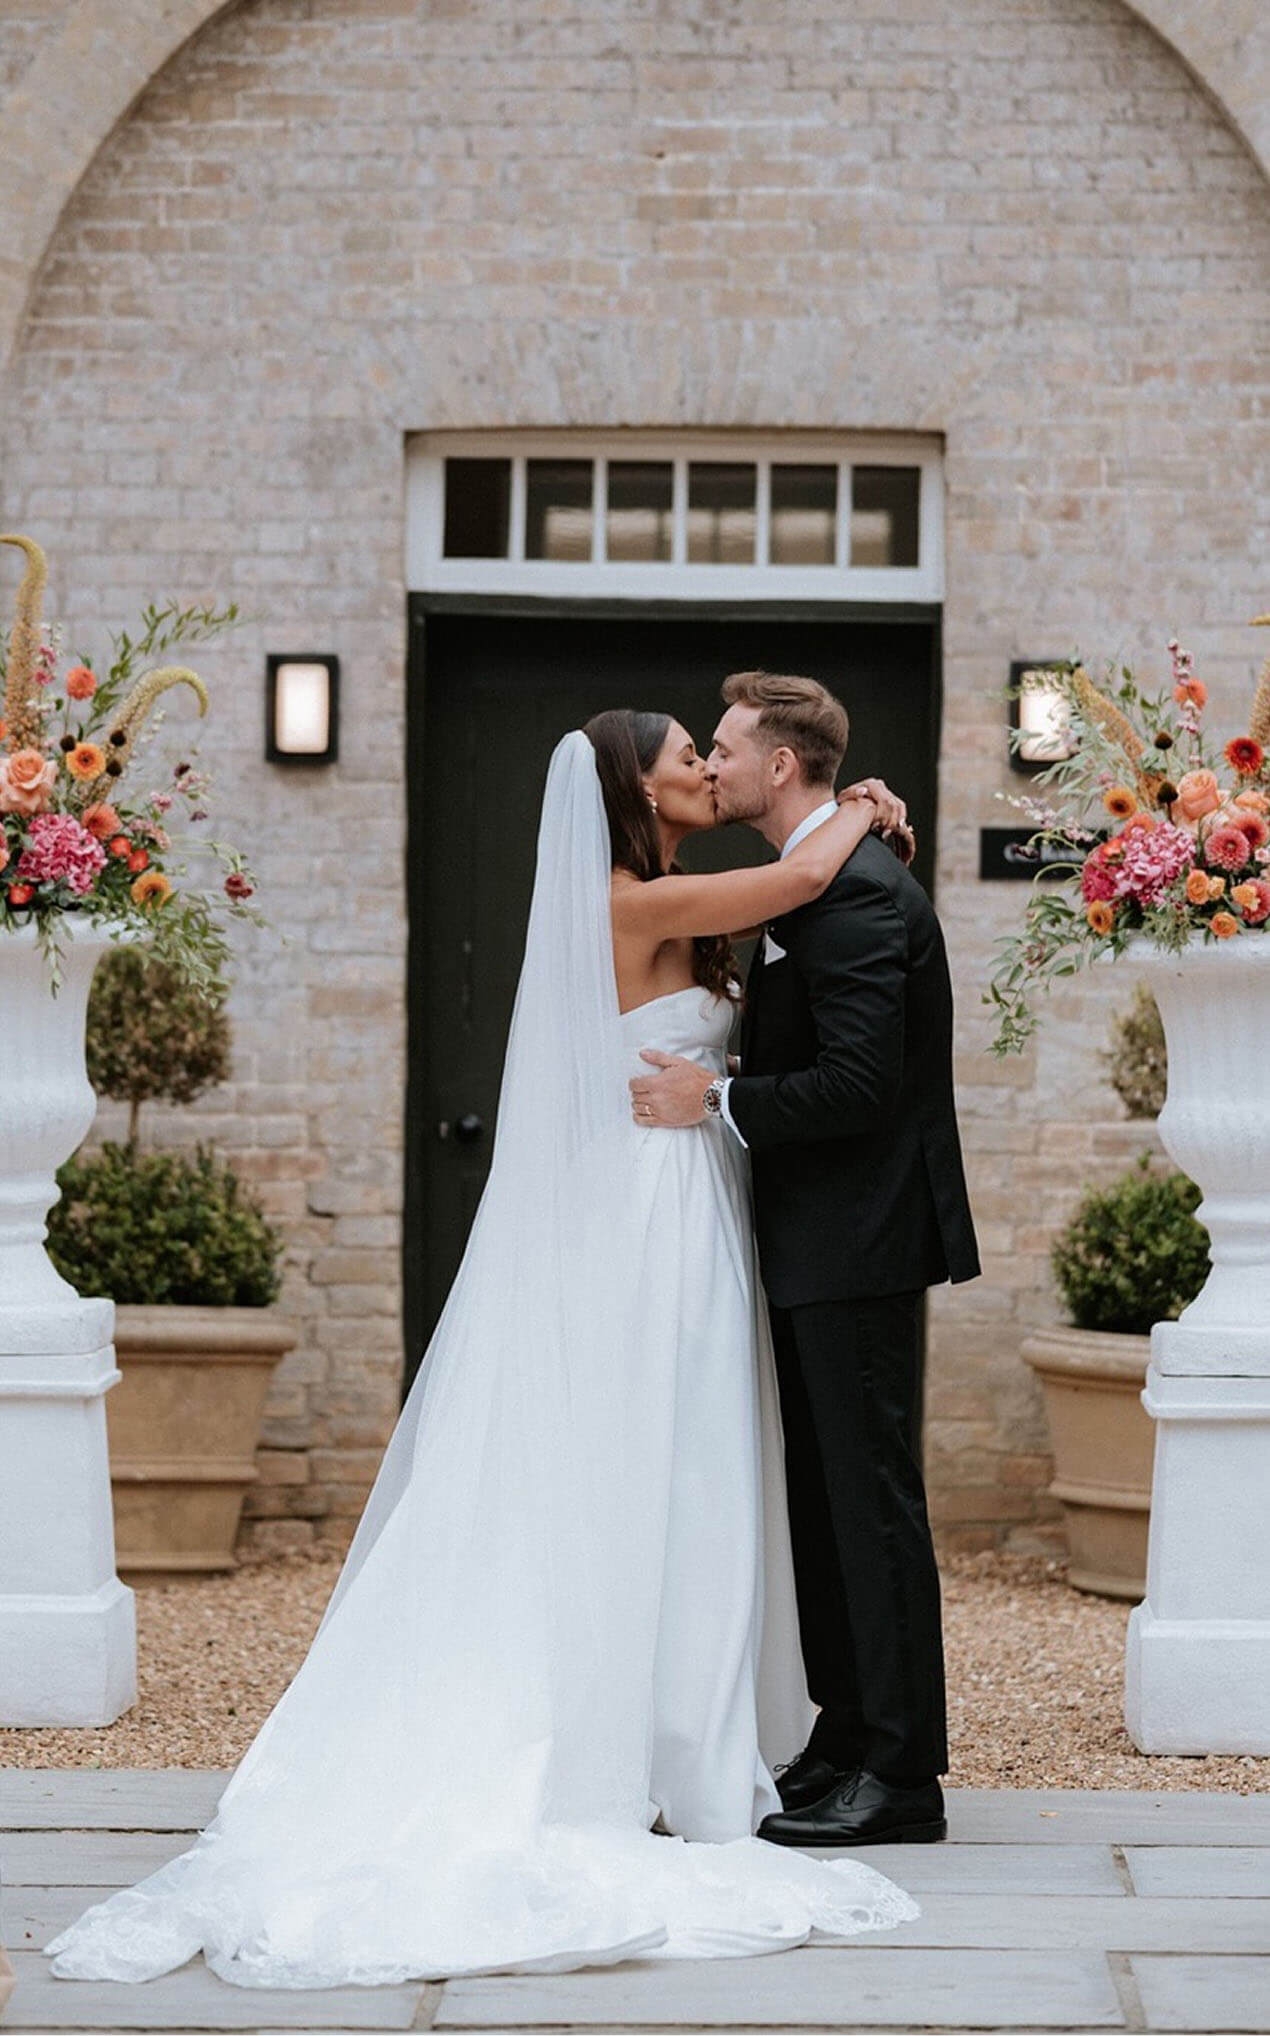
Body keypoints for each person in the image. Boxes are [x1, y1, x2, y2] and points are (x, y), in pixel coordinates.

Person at [47, 713, 917, 1991]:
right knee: (641, 1454)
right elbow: (794, 879)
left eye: (707, 748)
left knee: (694, 1455)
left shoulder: (668, 893)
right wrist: (863, 801)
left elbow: (782, 909)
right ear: (636, 787)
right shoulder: (625, 899)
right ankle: (631, 1733)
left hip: (695, 1206)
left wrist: (848, 808)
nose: (702, 767)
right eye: (684, 753)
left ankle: (688, 1712)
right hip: (640, 1216)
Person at [630, 672, 980, 1850]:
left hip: (862, 1238)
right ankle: (846, 1734)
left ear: (782, 765)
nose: (714, 763)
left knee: (871, 1503)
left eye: (725, 746)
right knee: (825, 1503)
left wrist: (715, 1092)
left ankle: (905, 1774)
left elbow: (860, 1084)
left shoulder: (862, 896)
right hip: (807, 1242)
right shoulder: (809, 881)